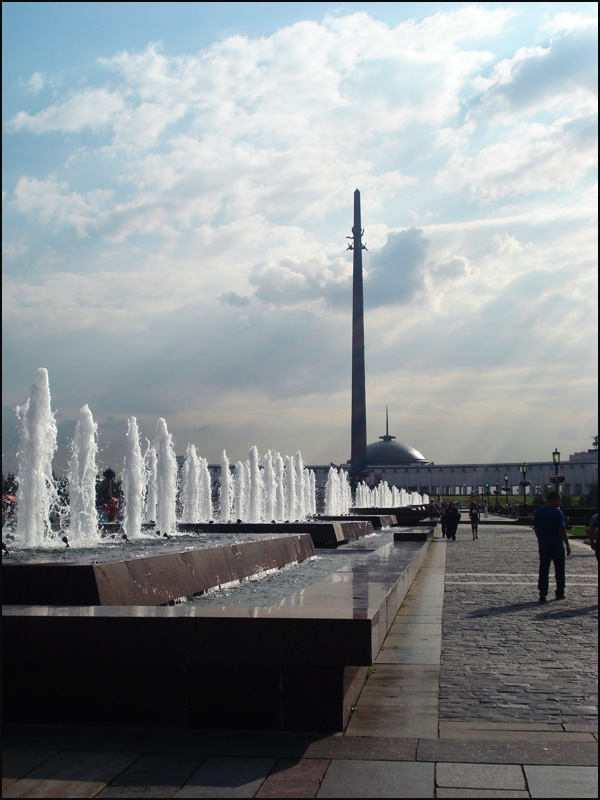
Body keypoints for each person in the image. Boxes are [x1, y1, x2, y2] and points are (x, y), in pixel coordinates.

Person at [533, 491, 571, 603]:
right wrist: (567, 544)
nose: (560, 502)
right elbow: (562, 530)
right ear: (554, 500)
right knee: (559, 570)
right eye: (559, 499)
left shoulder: (539, 512)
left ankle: (543, 593)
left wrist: (540, 538)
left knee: (544, 570)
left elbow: (536, 527)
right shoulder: (558, 513)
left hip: (544, 545)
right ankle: (560, 592)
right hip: (557, 545)